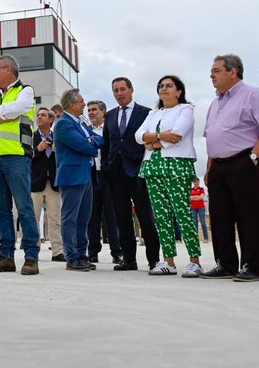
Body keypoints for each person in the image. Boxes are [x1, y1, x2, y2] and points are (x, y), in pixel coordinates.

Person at [201, 54, 259, 282]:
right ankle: (225, 264)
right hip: (218, 165)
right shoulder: (216, 102)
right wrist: (209, 167)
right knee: (219, 216)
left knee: (248, 215)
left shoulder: (253, 95)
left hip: (244, 161)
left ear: (233, 71)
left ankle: (251, 266)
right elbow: (212, 137)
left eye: (216, 70)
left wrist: (254, 158)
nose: (211, 75)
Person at [0, 54, 39, 276]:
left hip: (17, 158)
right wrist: (4, 115)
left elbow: (19, 108)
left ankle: (31, 257)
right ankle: (6, 256)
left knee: (24, 208)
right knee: (0, 209)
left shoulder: (26, 91)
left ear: (9, 69)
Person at [135, 75, 203, 277]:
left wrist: (152, 143)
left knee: (182, 213)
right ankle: (169, 261)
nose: (163, 89)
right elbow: (139, 136)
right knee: (161, 216)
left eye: (168, 86)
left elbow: (178, 134)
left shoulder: (186, 110)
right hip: (153, 166)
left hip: (176, 165)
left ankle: (195, 261)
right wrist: (158, 137)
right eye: (161, 86)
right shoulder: (154, 113)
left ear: (178, 91)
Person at [102, 77, 160, 271]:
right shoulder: (109, 116)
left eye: (122, 89)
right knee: (122, 218)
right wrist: (106, 166)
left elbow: (150, 142)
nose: (119, 94)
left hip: (138, 172)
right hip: (116, 173)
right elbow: (107, 144)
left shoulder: (146, 113)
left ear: (131, 90)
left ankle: (153, 259)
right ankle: (129, 259)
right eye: (115, 91)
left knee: (145, 216)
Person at [53, 89, 102, 272]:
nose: (84, 104)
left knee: (84, 218)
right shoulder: (64, 124)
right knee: (70, 218)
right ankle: (72, 257)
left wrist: (90, 141)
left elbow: (98, 140)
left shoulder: (81, 123)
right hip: (72, 176)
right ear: (72, 104)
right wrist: (90, 143)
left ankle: (82, 255)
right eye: (81, 101)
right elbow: (85, 146)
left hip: (86, 175)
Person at [86, 99, 121, 264]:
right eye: (89, 110)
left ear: (103, 112)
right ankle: (92, 251)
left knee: (112, 216)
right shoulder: (85, 131)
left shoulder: (111, 129)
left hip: (109, 176)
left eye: (94, 110)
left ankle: (117, 251)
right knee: (92, 216)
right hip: (92, 176)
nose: (91, 113)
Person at [31, 107, 62, 261]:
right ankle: (33, 250)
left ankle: (57, 251)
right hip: (36, 183)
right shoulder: (31, 137)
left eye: (43, 115)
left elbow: (64, 158)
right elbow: (24, 156)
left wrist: (58, 150)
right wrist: (38, 149)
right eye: (38, 115)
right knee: (33, 218)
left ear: (51, 120)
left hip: (54, 184)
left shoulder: (58, 137)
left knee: (55, 219)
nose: (39, 117)